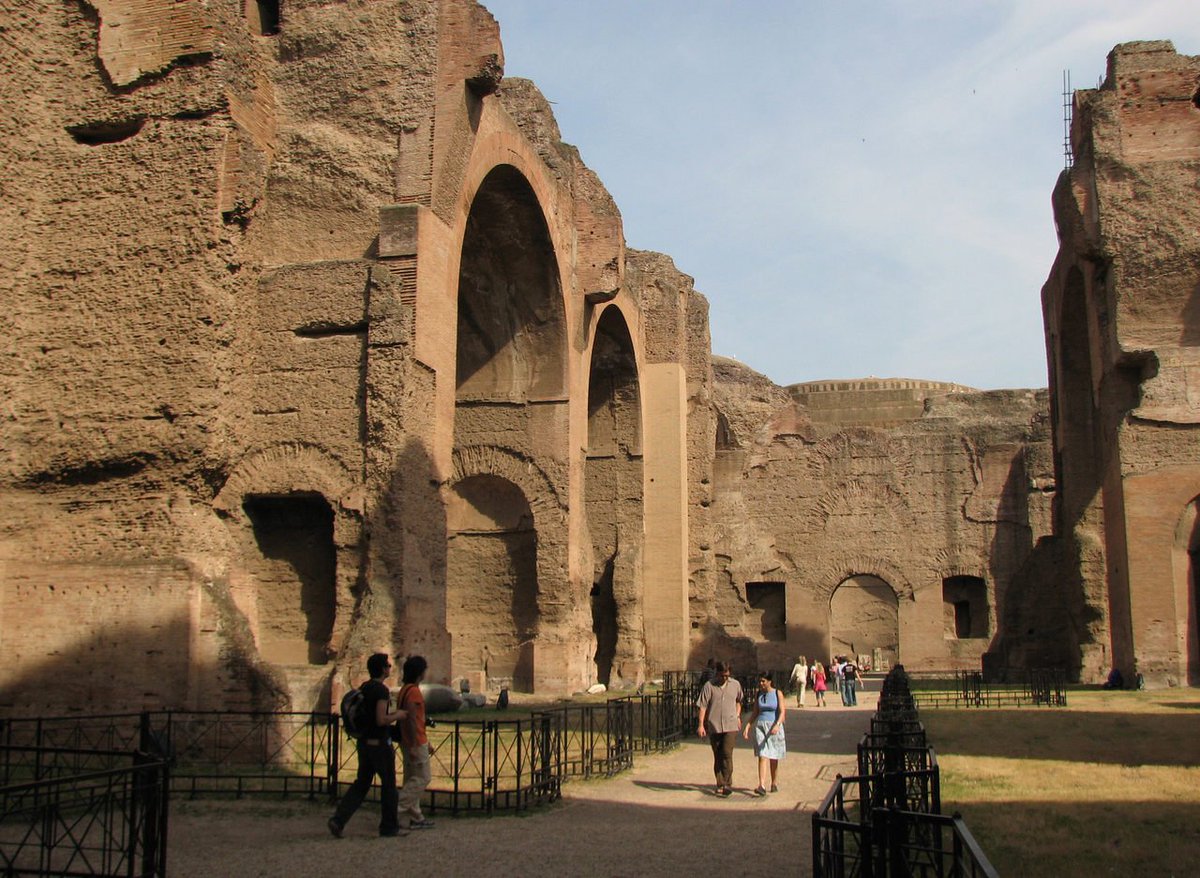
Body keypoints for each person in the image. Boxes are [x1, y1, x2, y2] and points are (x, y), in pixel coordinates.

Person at [328, 653, 409, 838]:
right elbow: (381, 719)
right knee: (389, 785)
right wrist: (398, 715)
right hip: (379, 744)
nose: (390, 667)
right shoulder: (381, 691)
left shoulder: (364, 687)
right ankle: (389, 827)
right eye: (387, 665)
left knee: (361, 784)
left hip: (364, 743)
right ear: (382, 669)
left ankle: (338, 820)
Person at [395, 655, 435, 830]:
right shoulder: (414, 692)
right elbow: (412, 720)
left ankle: (416, 817)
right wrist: (414, 744)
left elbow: (416, 720)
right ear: (420, 673)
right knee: (422, 778)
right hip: (414, 742)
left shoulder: (404, 690)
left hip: (410, 740)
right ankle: (395, 809)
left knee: (411, 778)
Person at [696, 661, 743, 797]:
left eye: (727, 676)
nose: (725, 678)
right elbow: (703, 706)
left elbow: (739, 701)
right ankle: (720, 783)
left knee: (727, 753)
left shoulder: (735, 685)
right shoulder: (709, 686)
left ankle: (727, 784)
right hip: (714, 725)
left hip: (731, 724)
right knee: (718, 755)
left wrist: (738, 715)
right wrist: (701, 725)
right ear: (717, 673)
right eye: (722, 676)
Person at [742, 673, 786, 795]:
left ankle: (774, 782)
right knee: (762, 754)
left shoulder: (778, 693)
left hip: (773, 726)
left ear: (769, 681)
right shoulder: (759, 694)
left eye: (763, 681)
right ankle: (761, 785)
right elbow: (755, 711)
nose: (761, 684)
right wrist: (748, 725)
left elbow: (782, 712)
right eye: (760, 681)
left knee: (774, 756)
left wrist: (777, 724)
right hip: (761, 726)